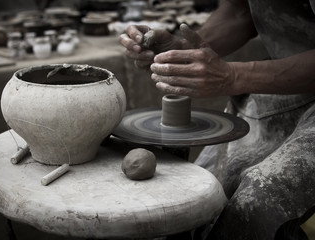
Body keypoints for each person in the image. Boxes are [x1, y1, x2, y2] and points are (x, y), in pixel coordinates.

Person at [119, 0, 315, 239]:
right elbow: (239, 11)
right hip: (281, 84)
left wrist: (234, 76)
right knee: (201, 193)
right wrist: (181, 50)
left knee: (256, 199)